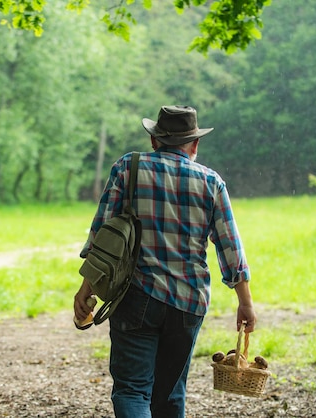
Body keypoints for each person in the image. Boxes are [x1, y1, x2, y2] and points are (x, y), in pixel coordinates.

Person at [74, 105, 255, 418]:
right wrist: (245, 303)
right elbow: (230, 247)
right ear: (194, 145)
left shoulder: (127, 168)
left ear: (155, 140)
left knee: (132, 390)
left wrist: (86, 286)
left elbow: (102, 234)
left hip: (135, 296)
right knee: (170, 396)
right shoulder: (211, 182)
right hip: (188, 302)